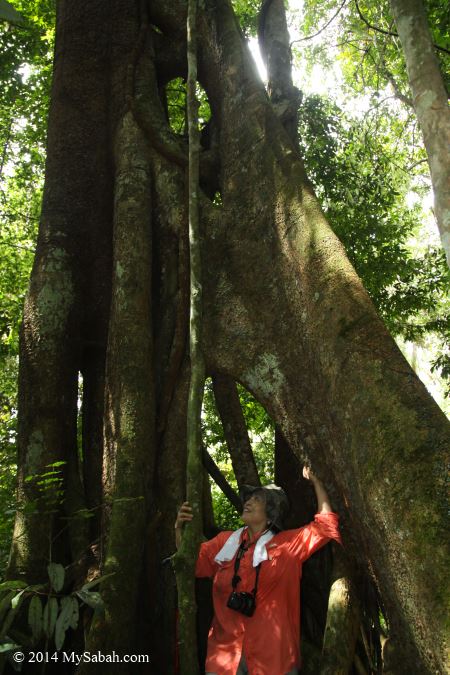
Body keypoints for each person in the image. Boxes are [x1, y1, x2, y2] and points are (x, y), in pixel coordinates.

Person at [175, 467, 342, 675]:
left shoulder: (288, 544)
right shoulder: (224, 543)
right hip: (224, 659)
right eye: (248, 498)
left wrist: (317, 482)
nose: (248, 501)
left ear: (271, 512)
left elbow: (325, 526)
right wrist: (179, 529)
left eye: (257, 499)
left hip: (274, 660)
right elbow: (190, 564)